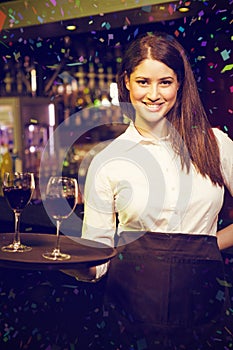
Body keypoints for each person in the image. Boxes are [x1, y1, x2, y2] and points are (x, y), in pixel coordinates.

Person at [64, 32, 233, 349]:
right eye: (143, 82)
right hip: (130, 312)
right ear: (126, 82)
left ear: (180, 83)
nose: (154, 94)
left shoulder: (216, 144)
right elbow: (98, 256)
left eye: (165, 82)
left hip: (205, 307)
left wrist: (208, 245)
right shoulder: (107, 160)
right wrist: (75, 263)